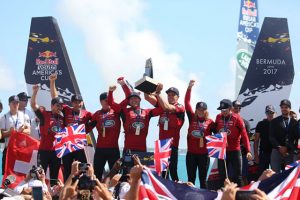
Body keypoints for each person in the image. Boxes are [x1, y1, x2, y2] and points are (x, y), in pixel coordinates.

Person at [49, 73, 93, 181]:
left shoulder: (87, 114)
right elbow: (55, 98)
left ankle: (84, 187)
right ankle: (67, 190)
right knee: (68, 169)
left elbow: (97, 121)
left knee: (83, 168)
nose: (77, 104)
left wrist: (86, 131)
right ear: (72, 103)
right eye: (75, 102)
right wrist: (52, 81)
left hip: (79, 146)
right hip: (67, 145)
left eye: (79, 102)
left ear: (82, 103)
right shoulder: (67, 109)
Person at [90, 78, 131, 180]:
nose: (107, 102)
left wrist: (123, 85)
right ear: (100, 102)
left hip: (113, 149)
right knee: (97, 174)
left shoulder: (116, 110)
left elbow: (129, 98)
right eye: (105, 100)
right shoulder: (96, 114)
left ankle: (114, 194)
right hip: (100, 150)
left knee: (115, 176)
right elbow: (86, 128)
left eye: (109, 99)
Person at [144, 84, 185, 181]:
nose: (170, 96)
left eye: (173, 95)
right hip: (161, 145)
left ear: (178, 97)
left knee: (173, 172)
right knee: (161, 173)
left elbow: (167, 108)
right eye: (169, 95)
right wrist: (146, 84)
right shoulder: (162, 105)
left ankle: (176, 194)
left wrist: (158, 93)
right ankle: (162, 194)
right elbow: (147, 97)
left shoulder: (180, 107)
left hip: (172, 145)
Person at [108, 84, 163, 153]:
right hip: (128, 150)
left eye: (136, 98)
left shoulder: (147, 112)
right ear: (129, 101)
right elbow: (111, 103)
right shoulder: (124, 111)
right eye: (131, 98)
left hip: (142, 150)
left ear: (140, 100)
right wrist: (110, 91)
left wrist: (157, 94)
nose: (133, 100)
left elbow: (161, 109)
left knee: (142, 164)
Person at [31, 84, 63, 186]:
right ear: (52, 106)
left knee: (54, 177)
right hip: (44, 151)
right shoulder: (45, 114)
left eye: (61, 106)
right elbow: (33, 105)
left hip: (56, 152)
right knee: (40, 175)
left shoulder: (62, 119)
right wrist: (35, 92)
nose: (60, 108)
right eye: (58, 105)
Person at [215, 99, 252, 187]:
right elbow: (215, 130)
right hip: (223, 151)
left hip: (235, 151)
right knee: (223, 176)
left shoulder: (237, 118)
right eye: (221, 110)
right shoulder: (218, 117)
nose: (223, 112)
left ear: (231, 108)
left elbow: (244, 135)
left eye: (225, 110)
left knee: (238, 176)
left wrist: (248, 151)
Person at [184, 80, 213, 188]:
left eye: (203, 109)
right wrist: (189, 88)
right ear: (196, 110)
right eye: (199, 109)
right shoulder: (192, 118)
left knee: (203, 180)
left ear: (206, 111)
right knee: (190, 180)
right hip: (191, 154)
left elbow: (219, 135)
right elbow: (187, 103)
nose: (201, 111)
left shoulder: (210, 122)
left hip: (204, 155)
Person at [0, 95, 30, 175]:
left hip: (21, 149)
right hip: (9, 149)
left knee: (20, 173)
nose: (16, 104)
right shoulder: (4, 117)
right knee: (7, 173)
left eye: (17, 103)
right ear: (9, 104)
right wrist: (10, 132)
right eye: (13, 103)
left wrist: (20, 131)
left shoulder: (24, 116)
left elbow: (29, 131)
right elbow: (2, 134)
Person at [269, 99, 299, 173]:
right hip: (276, 150)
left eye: (286, 107)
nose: (284, 109)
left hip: (289, 152)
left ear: (290, 108)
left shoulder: (294, 122)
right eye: (282, 107)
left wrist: (289, 148)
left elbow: (297, 138)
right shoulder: (274, 121)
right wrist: (279, 147)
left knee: (289, 174)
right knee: (275, 174)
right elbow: (271, 137)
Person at [232, 100, 251, 185]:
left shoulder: (246, 123)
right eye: (235, 108)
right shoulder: (226, 122)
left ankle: (246, 195)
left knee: (243, 176)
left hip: (242, 154)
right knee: (230, 177)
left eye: (239, 108)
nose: (237, 110)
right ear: (231, 109)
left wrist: (247, 151)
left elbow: (247, 138)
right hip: (230, 153)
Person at [254, 105, 276, 175]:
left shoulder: (278, 123)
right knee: (263, 175)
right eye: (268, 112)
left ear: (275, 113)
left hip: (275, 153)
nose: (270, 114)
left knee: (275, 175)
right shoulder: (260, 124)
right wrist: (256, 155)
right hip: (264, 154)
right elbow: (256, 140)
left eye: (271, 112)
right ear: (265, 113)